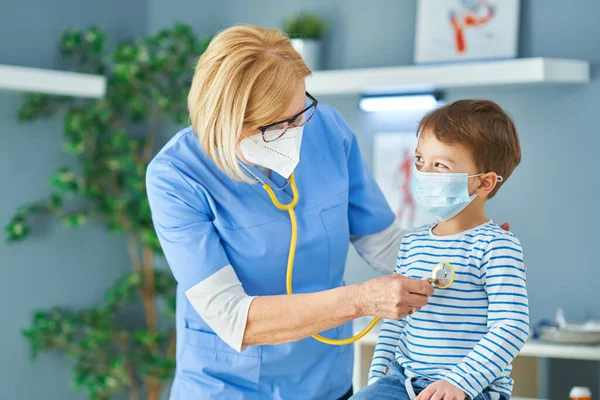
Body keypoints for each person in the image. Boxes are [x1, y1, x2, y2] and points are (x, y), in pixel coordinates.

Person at [145, 25, 436, 400]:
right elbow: (235, 317)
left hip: (327, 378)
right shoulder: (177, 175)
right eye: (279, 125)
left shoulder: (328, 129)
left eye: (301, 111)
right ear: (230, 124)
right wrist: (361, 301)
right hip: (229, 386)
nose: (298, 130)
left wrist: (463, 250)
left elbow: (382, 243)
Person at [351, 100, 529, 400]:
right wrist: (377, 378)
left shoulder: (497, 246)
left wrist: (459, 383)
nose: (423, 172)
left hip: (472, 387)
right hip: (402, 382)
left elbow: (511, 325)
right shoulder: (412, 243)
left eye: (440, 165)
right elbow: (397, 318)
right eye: (420, 160)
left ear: (484, 183)